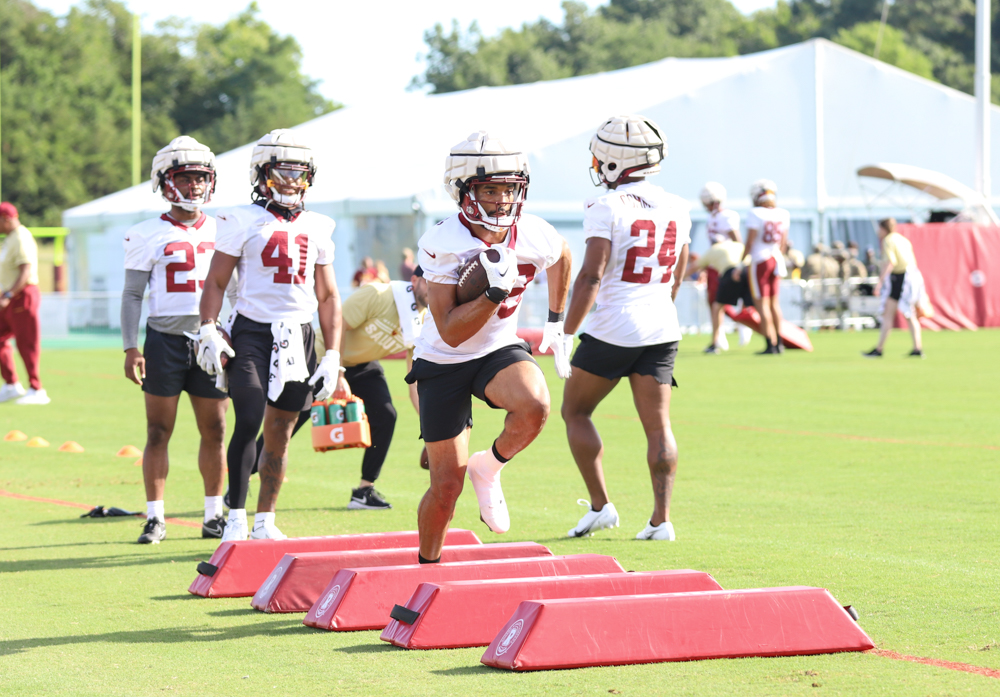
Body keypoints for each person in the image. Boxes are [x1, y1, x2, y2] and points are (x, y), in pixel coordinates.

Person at [407, 131, 572, 563]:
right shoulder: (443, 241)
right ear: (463, 191)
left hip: (496, 349)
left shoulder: (533, 231)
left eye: (509, 189)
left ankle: (490, 466)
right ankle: (427, 565)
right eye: (490, 190)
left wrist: (557, 320)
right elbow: (450, 331)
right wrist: (493, 294)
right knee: (446, 487)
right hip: (443, 360)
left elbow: (563, 255)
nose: (502, 200)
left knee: (535, 405)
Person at [197, 129, 346, 543]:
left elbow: (329, 295)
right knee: (247, 418)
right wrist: (208, 326)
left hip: (299, 335)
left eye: (299, 174)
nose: (292, 182)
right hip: (252, 332)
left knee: (280, 432)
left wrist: (333, 354)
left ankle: (265, 519)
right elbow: (216, 281)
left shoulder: (319, 225)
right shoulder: (240, 219)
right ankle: (235, 518)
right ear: (261, 174)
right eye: (283, 172)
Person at [561, 114, 690, 542]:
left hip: (614, 325)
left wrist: (565, 332)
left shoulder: (606, 206)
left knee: (575, 411)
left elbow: (591, 276)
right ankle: (661, 520)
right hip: (662, 325)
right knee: (659, 426)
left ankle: (601, 506)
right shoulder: (678, 205)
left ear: (615, 161)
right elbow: (677, 276)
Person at [235, 269, 429, 510]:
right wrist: (338, 373)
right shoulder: (378, 294)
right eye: (429, 282)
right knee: (287, 422)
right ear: (414, 280)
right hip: (321, 358)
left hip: (361, 363)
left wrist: (429, 426)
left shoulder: (424, 321)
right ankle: (240, 482)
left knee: (386, 415)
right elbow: (339, 325)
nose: (435, 289)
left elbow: (414, 381)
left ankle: (364, 491)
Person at [120, 136, 229, 544]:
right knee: (157, 431)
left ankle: (213, 515)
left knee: (215, 430)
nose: (195, 186)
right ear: (165, 182)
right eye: (185, 177)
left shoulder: (224, 229)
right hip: (164, 340)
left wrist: (229, 333)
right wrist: (130, 346)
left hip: (210, 339)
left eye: (201, 178)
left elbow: (237, 291)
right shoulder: (145, 233)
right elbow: (133, 294)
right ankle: (155, 517)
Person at [0, 203, 48, 405]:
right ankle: (11, 384)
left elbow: (26, 269)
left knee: (26, 343)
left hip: (21, 295)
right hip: (9, 297)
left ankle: (37, 389)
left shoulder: (21, 236)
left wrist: (9, 293)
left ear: (6, 219)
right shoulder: (10, 238)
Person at [863, 218, 925, 358]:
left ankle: (882, 349)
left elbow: (891, 262)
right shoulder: (902, 239)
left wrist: (880, 283)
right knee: (895, 313)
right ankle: (913, 348)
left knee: (903, 313)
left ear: (884, 228)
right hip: (911, 276)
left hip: (902, 278)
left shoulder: (888, 240)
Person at [742, 179, 789, 354]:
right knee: (775, 303)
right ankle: (780, 342)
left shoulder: (755, 213)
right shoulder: (783, 213)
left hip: (760, 260)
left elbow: (750, 242)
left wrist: (741, 262)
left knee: (762, 304)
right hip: (776, 259)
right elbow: (783, 244)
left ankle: (771, 342)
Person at [698, 182, 740, 354]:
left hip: (726, 265)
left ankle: (740, 327)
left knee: (720, 302)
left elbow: (737, 241)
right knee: (713, 301)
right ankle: (718, 336)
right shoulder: (712, 218)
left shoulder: (727, 216)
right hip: (714, 264)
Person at [691, 239, 746, 353]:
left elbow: (694, 267)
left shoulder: (714, 250)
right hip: (748, 270)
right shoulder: (738, 245)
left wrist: (677, 278)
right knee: (760, 305)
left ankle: (716, 342)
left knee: (717, 307)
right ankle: (773, 340)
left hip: (731, 273)